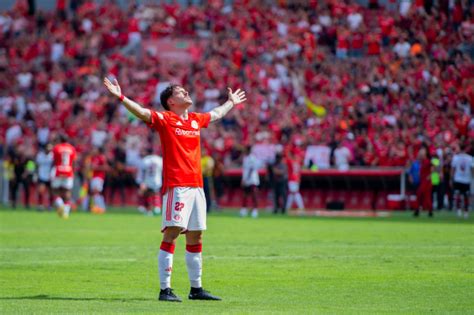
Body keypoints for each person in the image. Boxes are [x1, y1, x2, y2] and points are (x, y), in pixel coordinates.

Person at [104, 77, 246, 302]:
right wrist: (120, 97)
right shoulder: (166, 119)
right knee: (172, 233)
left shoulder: (194, 120)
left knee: (196, 235)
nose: (187, 93)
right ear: (170, 101)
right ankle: (165, 290)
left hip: (197, 186)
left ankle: (196, 289)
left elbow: (216, 114)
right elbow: (142, 112)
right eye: (181, 92)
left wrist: (231, 102)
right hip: (177, 186)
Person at [51, 135, 77, 219]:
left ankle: (60, 205)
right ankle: (66, 213)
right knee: (67, 192)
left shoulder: (56, 148)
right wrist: (73, 171)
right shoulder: (72, 148)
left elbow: (54, 160)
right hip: (69, 170)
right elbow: (74, 161)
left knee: (55, 191)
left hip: (59, 170)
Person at [136, 148, 163, 216]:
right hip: (157, 180)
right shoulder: (159, 159)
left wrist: (140, 181)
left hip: (147, 180)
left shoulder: (145, 160)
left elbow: (141, 172)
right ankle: (157, 207)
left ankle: (147, 209)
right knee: (156, 193)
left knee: (147, 195)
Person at [451, 143, 473, 219]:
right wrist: (472, 178)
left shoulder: (455, 157)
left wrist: (451, 179)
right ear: (466, 149)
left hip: (458, 179)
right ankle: (466, 212)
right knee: (466, 196)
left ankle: (459, 210)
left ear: (459, 148)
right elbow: (472, 169)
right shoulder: (470, 158)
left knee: (458, 195)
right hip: (467, 180)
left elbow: (453, 169)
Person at [240, 145, 260, 218]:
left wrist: (246, 179)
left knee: (254, 195)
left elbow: (251, 169)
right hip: (246, 179)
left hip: (252, 180)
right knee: (245, 195)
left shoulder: (252, 158)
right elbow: (245, 170)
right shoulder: (245, 158)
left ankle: (255, 211)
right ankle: (244, 210)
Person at [414, 147, 433, 217]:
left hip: (427, 181)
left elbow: (433, 168)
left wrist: (430, 176)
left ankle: (418, 209)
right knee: (423, 195)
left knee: (422, 194)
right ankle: (427, 210)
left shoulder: (428, 161)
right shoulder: (422, 161)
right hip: (423, 180)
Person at [89, 147, 108, 213]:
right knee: (95, 193)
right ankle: (99, 207)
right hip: (94, 177)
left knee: (96, 192)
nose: (94, 150)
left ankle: (101, 207)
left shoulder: (101, 157)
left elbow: (105, 167)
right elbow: (91, 167)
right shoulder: (93, 158)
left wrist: (96, 168)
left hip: (99, 177)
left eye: (95, 149)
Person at [35, 143, 54, 211]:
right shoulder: (40, 155)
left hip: (50, 176)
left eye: (50, 147)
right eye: (48, 147)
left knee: (51, 192)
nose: (49, 149)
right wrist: (36, 174)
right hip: (42, 175)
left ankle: (50, 206)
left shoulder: (52, 156)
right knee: (41, 191)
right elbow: (36, 165)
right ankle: (40, 205)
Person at [201, 148, 215, 213]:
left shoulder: (208, 159)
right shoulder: (199, 159)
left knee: (207, 192)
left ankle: (208, 208)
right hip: (200, 178)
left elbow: (210, 167)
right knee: (201, 193)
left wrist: (202, 171)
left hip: (207, 177)